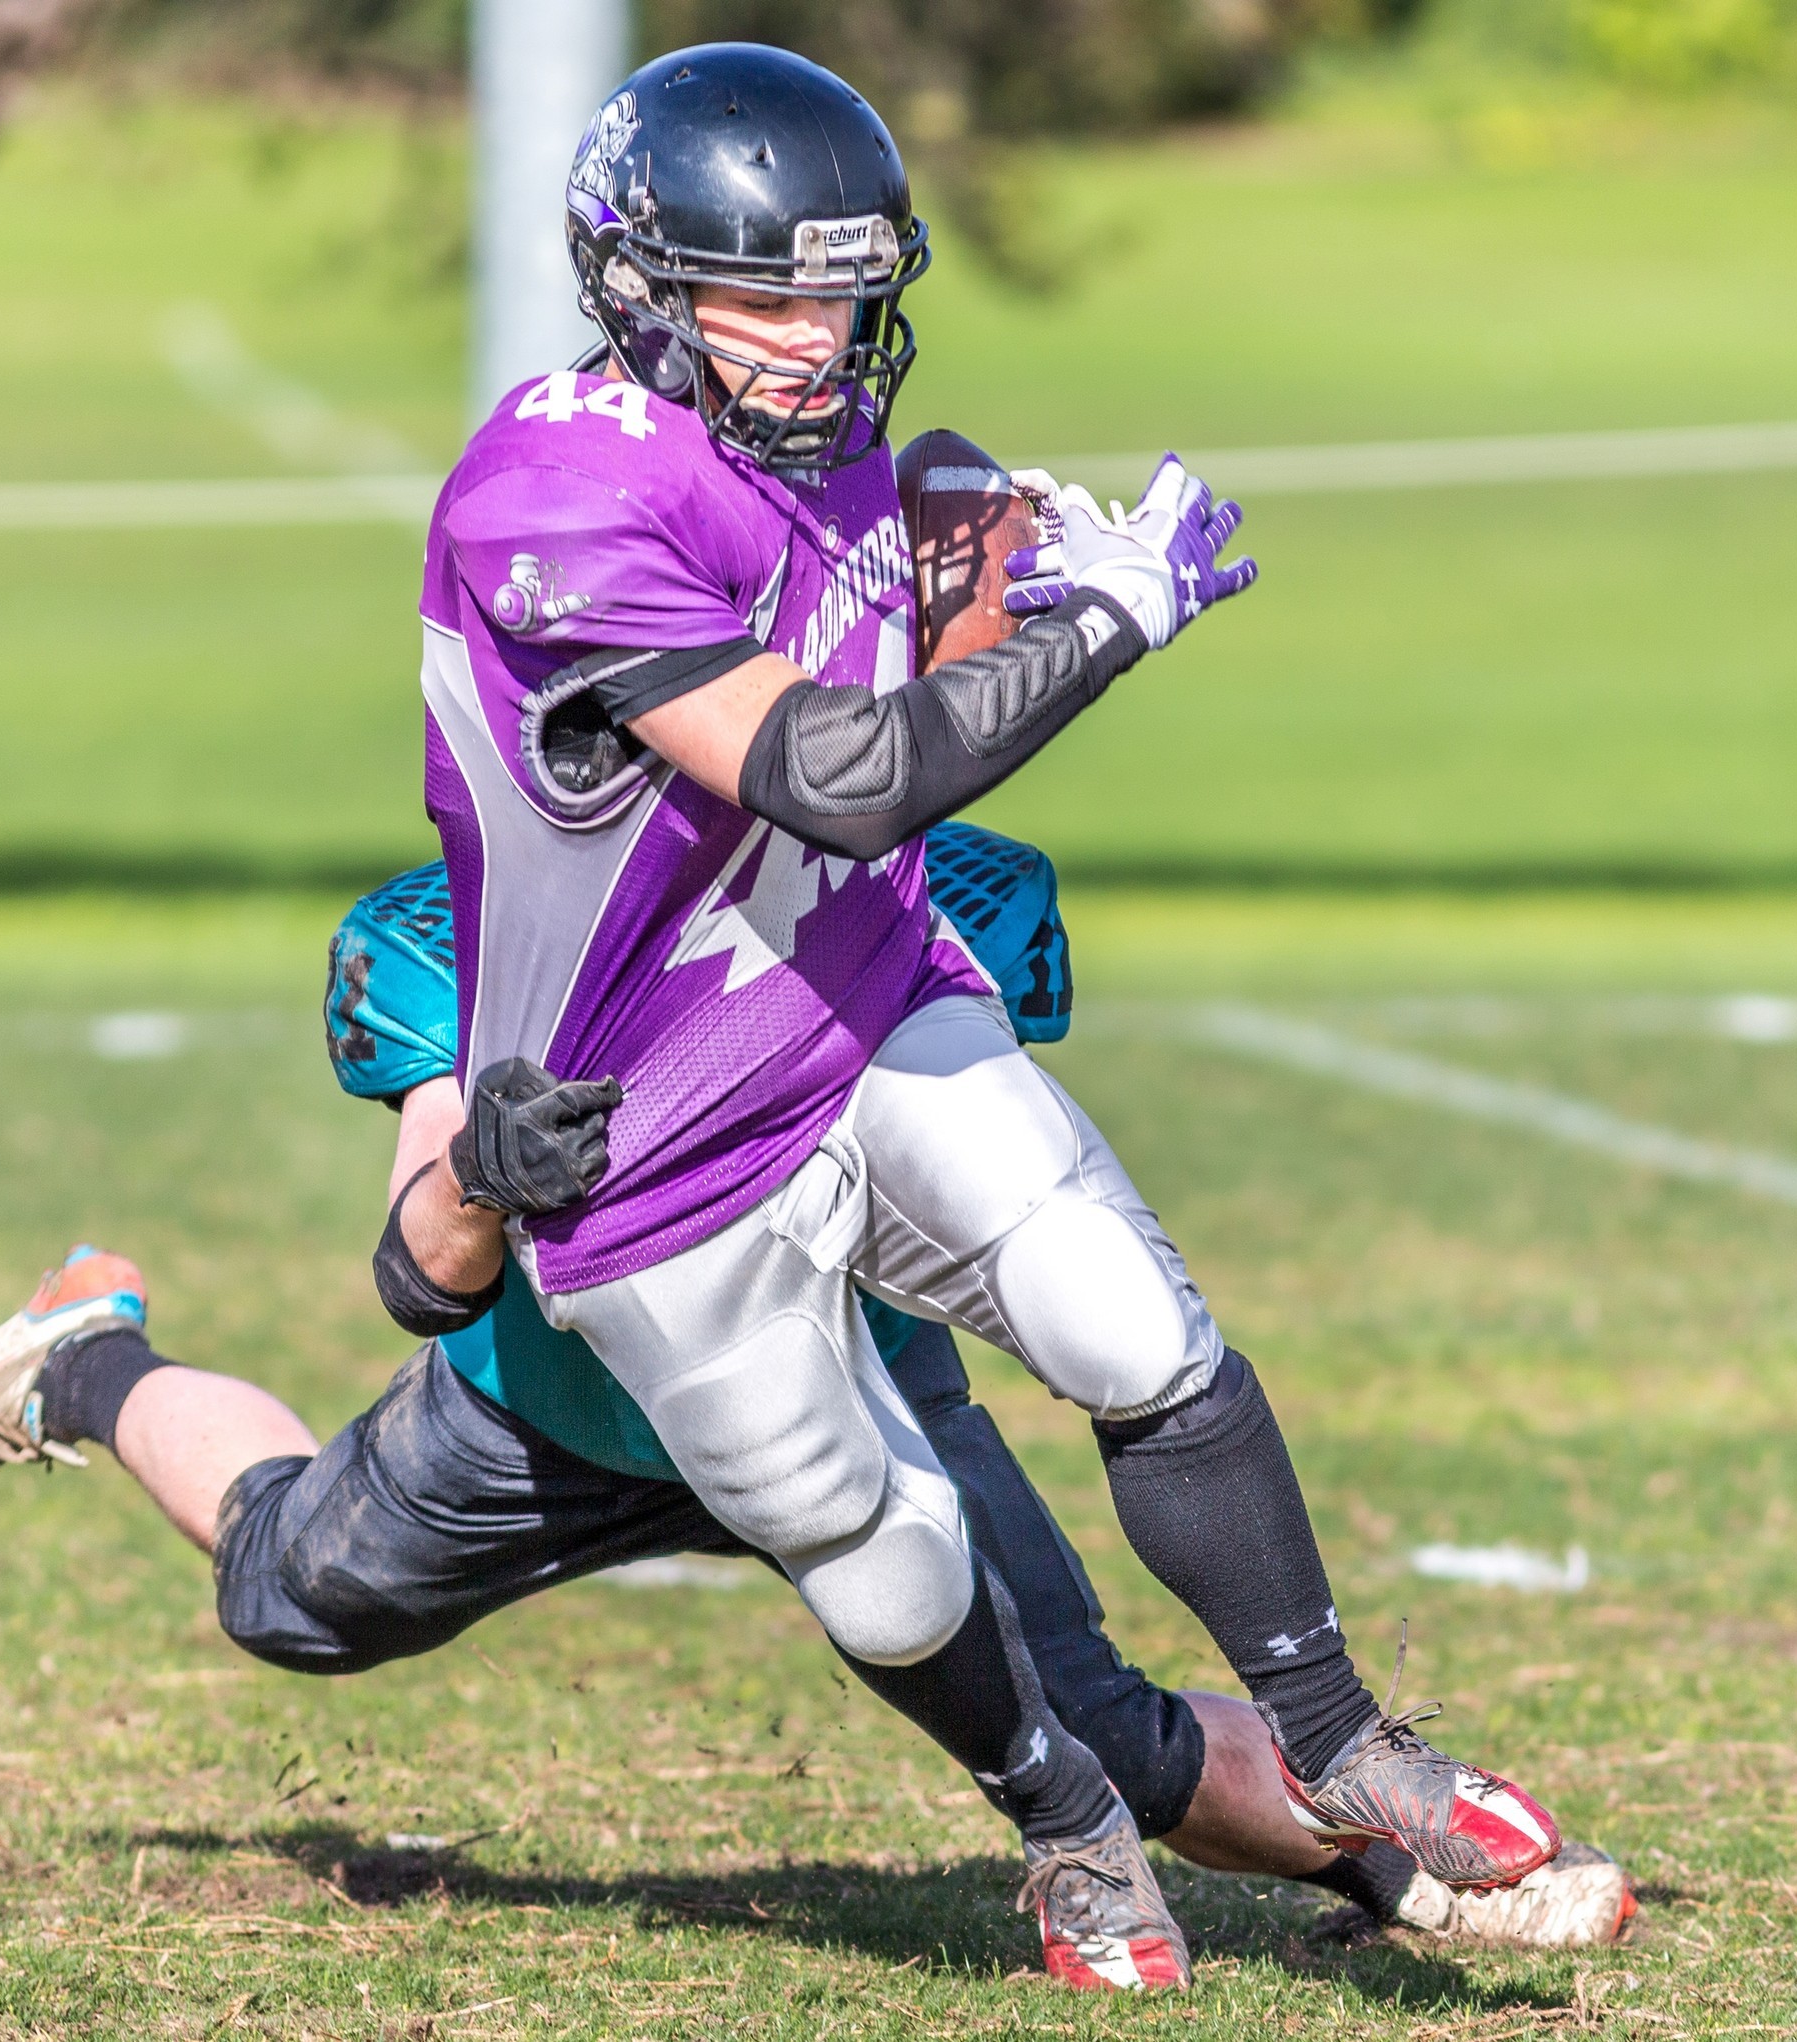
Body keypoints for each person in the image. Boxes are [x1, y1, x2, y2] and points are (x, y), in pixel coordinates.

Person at [405, 38, 1561, 1899]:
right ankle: (1062, 1813)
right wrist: (1101, 621)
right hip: (644, 1129)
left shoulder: (882, 466)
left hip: (856, 1009)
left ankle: (1348, 1741)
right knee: (867, 1537)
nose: (815, 341)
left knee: (1128, 1318)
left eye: (846, 297)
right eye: (763, 298)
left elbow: (911, 669)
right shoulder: (552, 494)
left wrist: (997, 574)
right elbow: (835, 779)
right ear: (638, 287)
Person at [0, 846, 1634, 1993]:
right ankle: (84, 1357)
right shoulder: (459, 920)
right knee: (285, 1586)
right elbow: (423, 1270)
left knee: (1089, 1712)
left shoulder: (944, 877)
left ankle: (1401, 1867)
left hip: (862, 1387)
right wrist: (487, 1175)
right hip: (566, 1405)